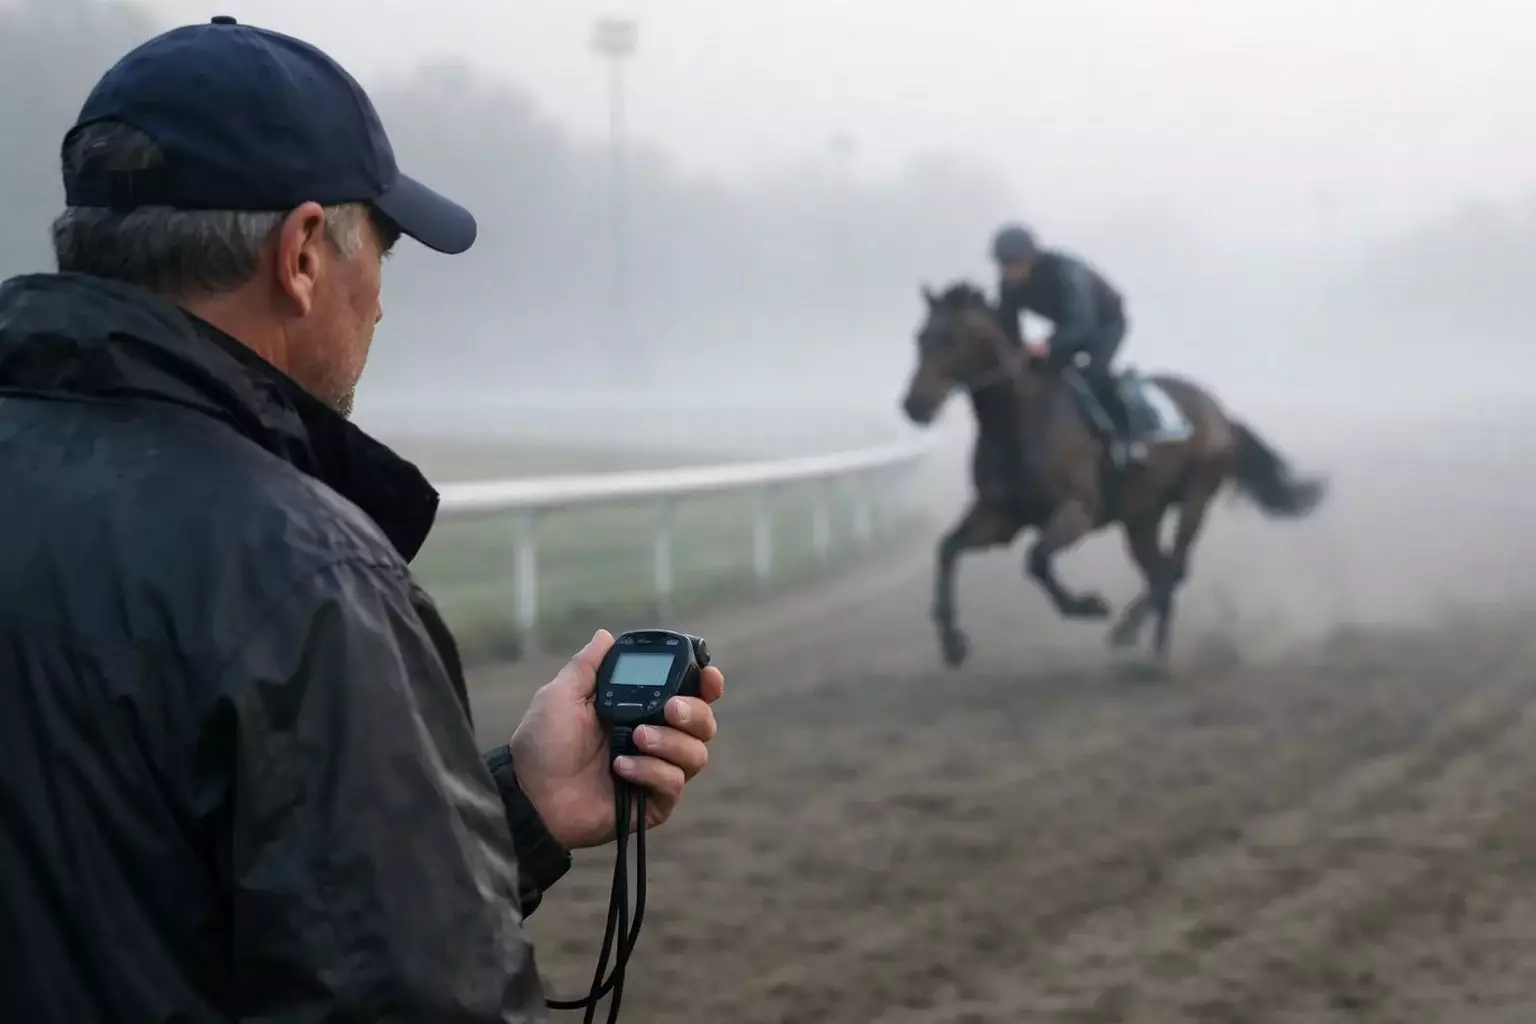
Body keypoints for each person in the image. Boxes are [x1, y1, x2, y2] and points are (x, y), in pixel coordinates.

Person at [0, 17, 723, 1022]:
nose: (380, 304)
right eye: (381, 247)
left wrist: (519, 808)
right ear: (301, 253)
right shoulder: (304, 578)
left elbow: (123, 907)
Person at [989, 222, 1146, 465]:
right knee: (1037, 375)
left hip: (1106, 323)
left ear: (1033, 258)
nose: (1008, 272)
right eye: (1002, 265)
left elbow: (1083, 325)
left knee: (1095, 374)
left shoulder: (1066, 272)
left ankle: (1130, 441)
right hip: (1069, 326)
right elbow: (1008, 329)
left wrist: (1046, 346)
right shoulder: (1008, 284)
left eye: (1013, 264)